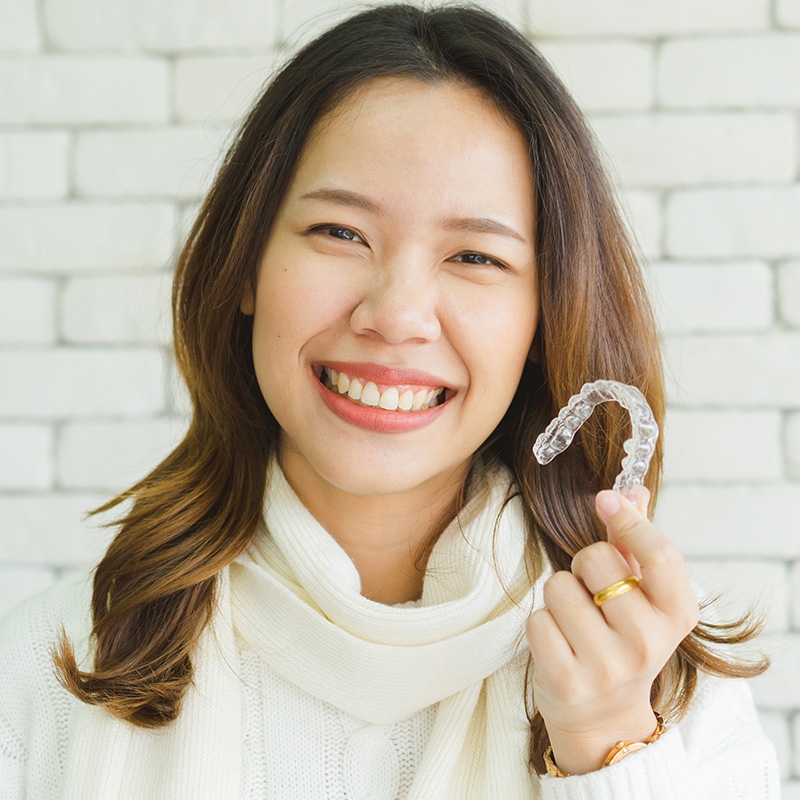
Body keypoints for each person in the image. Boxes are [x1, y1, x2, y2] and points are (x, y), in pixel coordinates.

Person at [0, 4, 780, 798]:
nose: (396, 315)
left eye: (475, 255)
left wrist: (611, 750)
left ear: (545, 319)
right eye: (339, 233)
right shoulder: (43, 671)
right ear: (245, 267)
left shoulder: (669, 694)